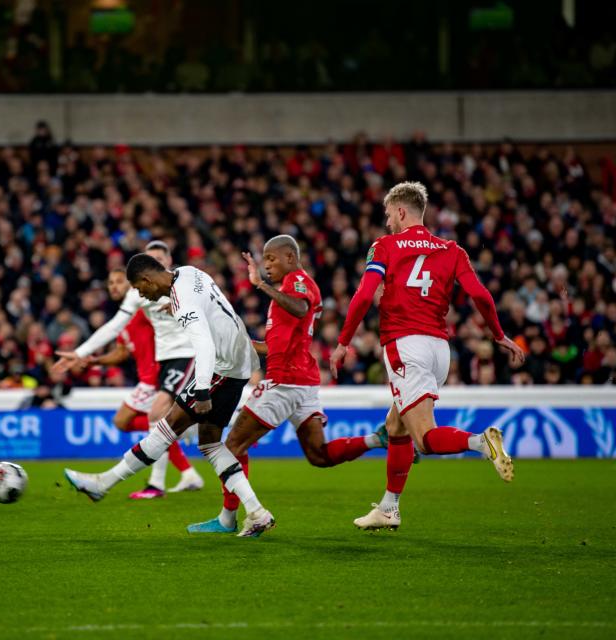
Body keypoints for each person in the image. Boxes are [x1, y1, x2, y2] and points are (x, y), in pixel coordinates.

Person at [331, 181, 525, 531]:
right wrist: (499, 335)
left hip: (405, 345)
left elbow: (362, 297)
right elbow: (480, 295)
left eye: (389, 215)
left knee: (423, 437)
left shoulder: (385, 246)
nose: (388, 222)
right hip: (438, 351)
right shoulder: (453, 250)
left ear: (402, 212)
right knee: (395, 425)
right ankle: (389, 508)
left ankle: (481, 442)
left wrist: (344, 341)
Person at [188, 235, 390, 534]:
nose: (267, 264)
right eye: (264, 259)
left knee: (230, 446)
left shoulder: (297, 281)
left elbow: (299, 308)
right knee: (318, 455)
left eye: (272, 258)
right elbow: (274, 346)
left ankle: (231, 519)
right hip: (303, 381)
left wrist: (261, 286)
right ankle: (378, 440)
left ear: (291, 258)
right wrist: (236, 343)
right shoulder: (288, 291)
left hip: (284, 381)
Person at [64, 254, 275, 538]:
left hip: (219, 369)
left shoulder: (183, 302)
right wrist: (173, 305)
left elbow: (203, 344)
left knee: (165, 427)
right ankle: (256, 512)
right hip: (239, 365)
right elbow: (215, 308)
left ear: (147, 280)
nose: (142, 295)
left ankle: (102, 483)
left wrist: (201, 390)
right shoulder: (190, 273)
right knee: (210, 443)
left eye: (140, 289)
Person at [54, 241, 202, 497]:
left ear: (168, 260)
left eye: (159, 258)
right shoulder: (138, 295)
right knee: (172, 424)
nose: (155, 263)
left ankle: (155, 484)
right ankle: (189, 438)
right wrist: (80, 353)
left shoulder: (185, 281)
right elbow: (113, 327)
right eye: (151, 259)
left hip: (187, 354)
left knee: (157, 414)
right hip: (166, 359)